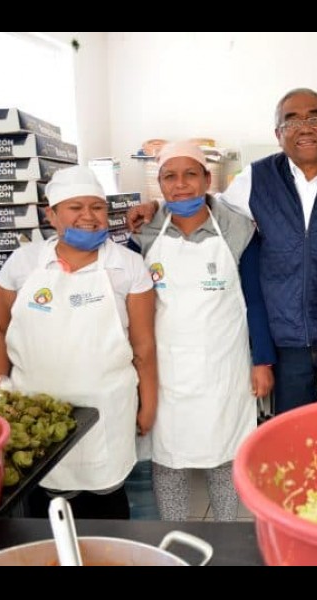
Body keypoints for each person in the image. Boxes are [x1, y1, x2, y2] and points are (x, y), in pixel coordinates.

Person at [127, 88, 317, 415]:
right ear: (278, 134)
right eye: (291, 121)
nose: (304, 127)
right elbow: (206, 208)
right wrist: (157, 205)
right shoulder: (255, 178)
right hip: (285, 337)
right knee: (290, 430)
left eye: (314, 118)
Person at [0, 165, 158, 519]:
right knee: (45, 511)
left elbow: (143, 346)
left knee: (108, 508)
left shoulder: (127, 265)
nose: (88, 216)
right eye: (75, 207)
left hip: (107, 409)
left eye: (97, 207)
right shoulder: (25, 262)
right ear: (51, 215)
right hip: (37, 413)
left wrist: (149, 403)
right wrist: (0, 399)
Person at [128, 140, 272, 521]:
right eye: (169, 177)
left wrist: (262, 361)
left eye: (190, 174)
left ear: (207, 179)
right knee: (167, 459)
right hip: (166, 369)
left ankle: (224, 535)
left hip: (223, 364)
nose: (180, 185)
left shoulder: (238, 230)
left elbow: (255, 301)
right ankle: (173, 538)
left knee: (225, 454)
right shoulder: (144, 232)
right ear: (159, 183)